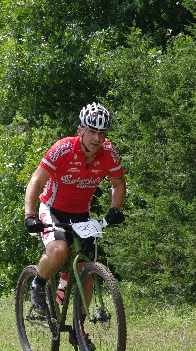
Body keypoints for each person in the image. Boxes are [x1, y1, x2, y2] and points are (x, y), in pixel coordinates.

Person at [23, 102, 126, 316]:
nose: (97, 138)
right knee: (59, 251)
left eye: (102, 133)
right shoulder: (63, 148)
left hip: (81, 214)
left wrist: (115, 208)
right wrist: (29, 215)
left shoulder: (108, 153)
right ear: (80, 130)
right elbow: (36, 180)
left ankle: (80, 327)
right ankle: (38, 284)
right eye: (92, 131)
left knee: (86, 270)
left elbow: (118, 184)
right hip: (53, 209)